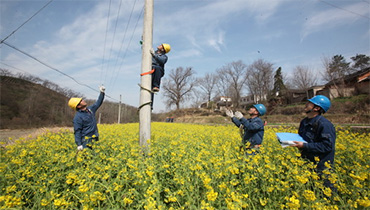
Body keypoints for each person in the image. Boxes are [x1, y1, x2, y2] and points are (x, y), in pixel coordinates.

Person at [291, 95, 336, 192]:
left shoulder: (324, 124)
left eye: (309, 103)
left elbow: (327, 146)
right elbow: (301, 139)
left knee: (325, 195)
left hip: (321, 167)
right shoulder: (304, 122)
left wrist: (304, 145)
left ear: (316, 108)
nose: (306, 104)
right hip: (306, 164)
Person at [68, 86, 105, 151]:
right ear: (78, 106)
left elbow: (98, 103)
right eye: (81, 101)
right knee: (88, 158)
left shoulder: (90, 110)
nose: (83, 100)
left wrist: (102, 93)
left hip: (95, 137)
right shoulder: (78, 117)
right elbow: (77, 131)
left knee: (95, 156)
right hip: (86, 140)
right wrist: (79, 144)